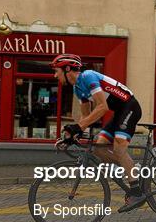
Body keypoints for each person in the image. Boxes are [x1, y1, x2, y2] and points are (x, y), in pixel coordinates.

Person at [50, 54, 143, 212]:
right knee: (99, 147)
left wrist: (77, 128)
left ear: (67, 69)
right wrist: (71, 135)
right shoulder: (77, 88)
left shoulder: (88, 76)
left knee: (119, 147)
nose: (55, 75)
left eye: (56, 71)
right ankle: (132, 168)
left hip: (130, 107)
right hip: (118, 112)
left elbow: (102, 107)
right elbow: (86, 117)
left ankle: (136, 192)